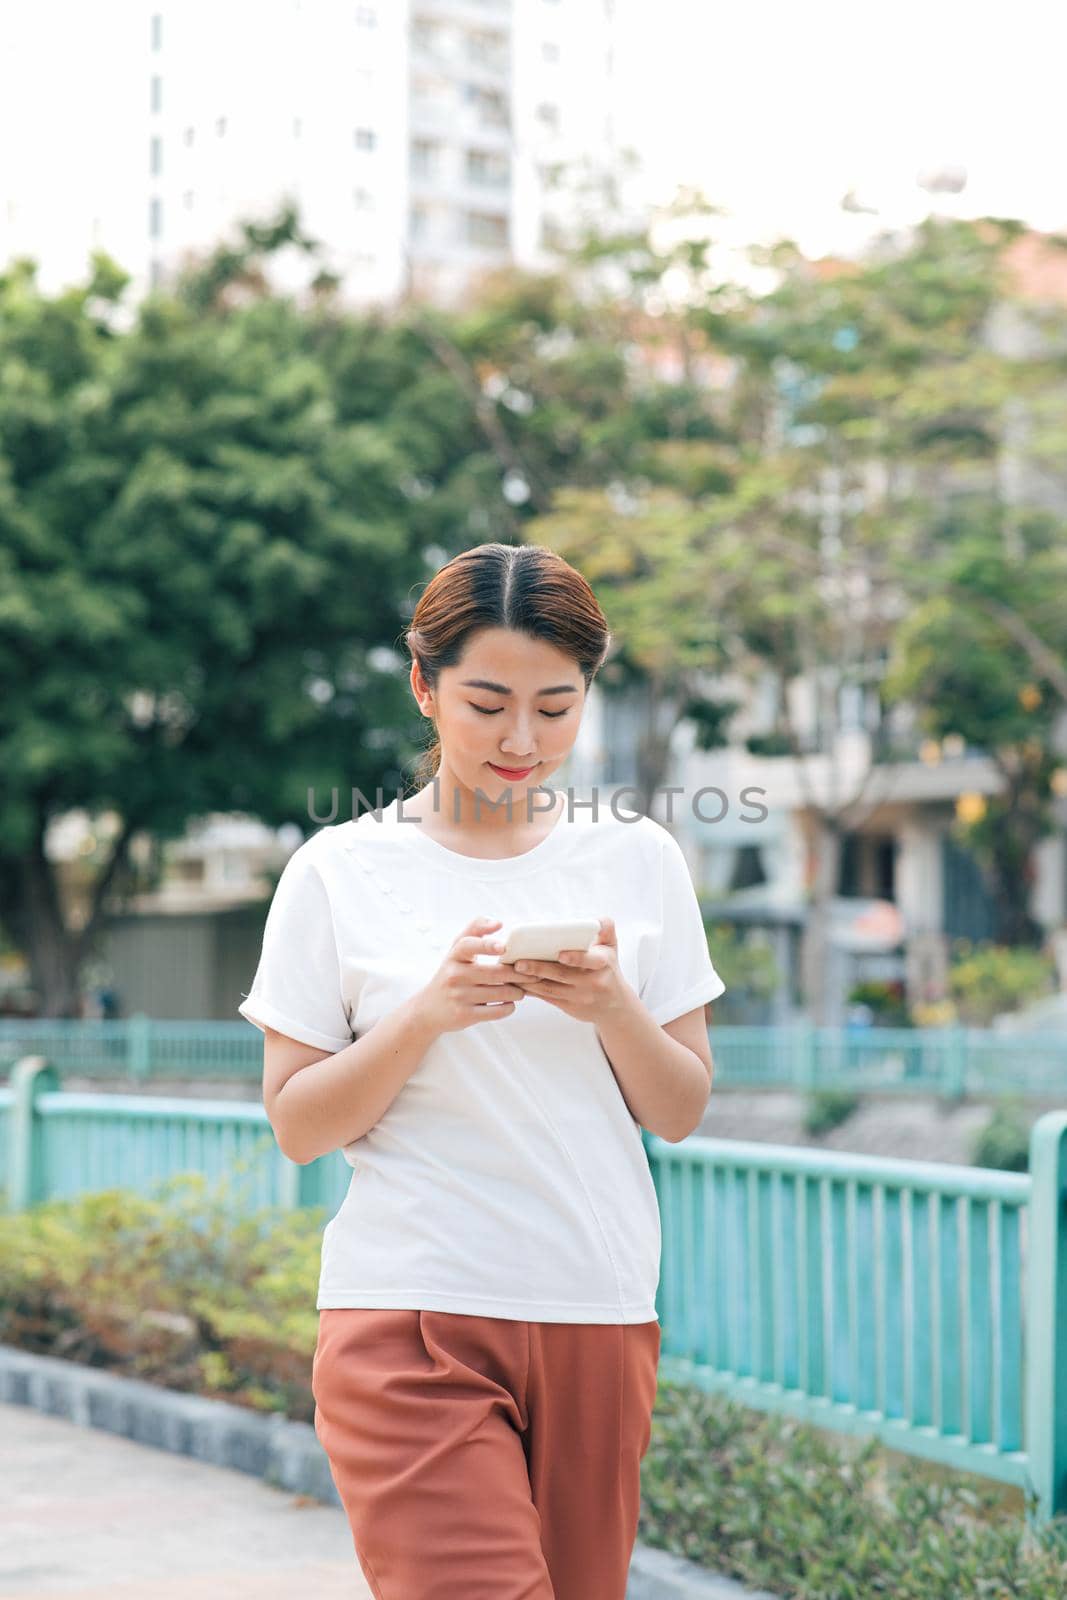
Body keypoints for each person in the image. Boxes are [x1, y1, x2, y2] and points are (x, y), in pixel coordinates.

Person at [238, 542, 726, 1600]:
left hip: (597, 1308)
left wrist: (608, 1005)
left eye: (555, 708)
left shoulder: (638, 861)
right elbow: (297, 1123)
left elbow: (679, 1105)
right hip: (410, 1312)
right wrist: (425, 1018)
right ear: (423, 687)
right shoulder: (337, 872)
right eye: (487, 702)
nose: (521, 739)